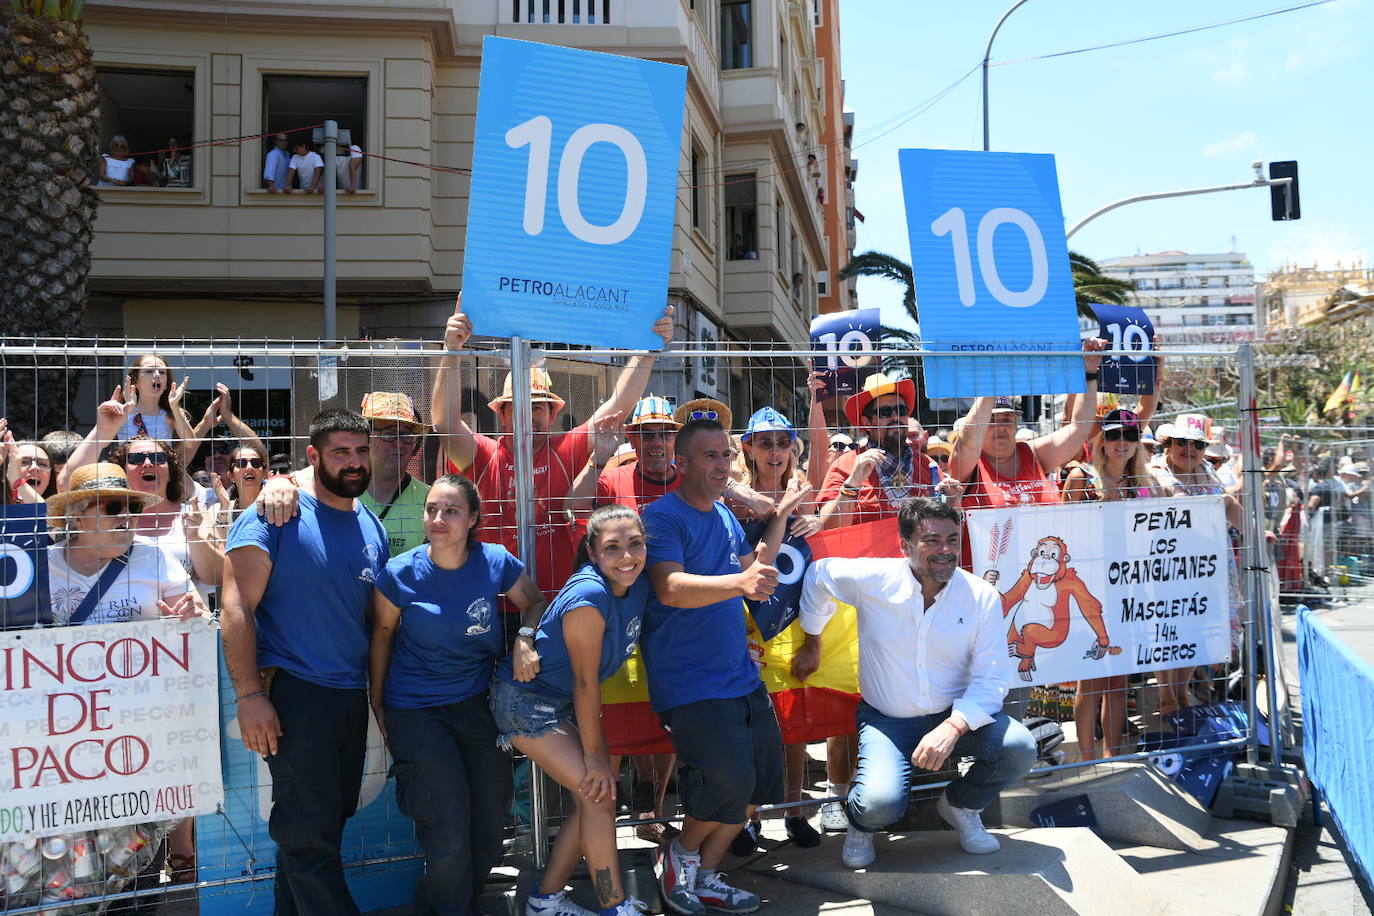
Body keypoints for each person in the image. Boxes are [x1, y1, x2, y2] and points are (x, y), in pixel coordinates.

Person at [792, 497, 1036, 870]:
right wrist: (813, 640)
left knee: (1020, 747)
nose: (945, 551)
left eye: (952, 540)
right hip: (887, 720)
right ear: (904, 546)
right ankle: (861, 824)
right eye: (932, 541)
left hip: (954, 717)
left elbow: (992, 677)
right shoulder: (874, 580)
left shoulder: (981, 596)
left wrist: (953, 726)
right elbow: (819, 574)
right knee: (877, 804)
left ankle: (962, 806)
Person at [221, 409, 389, 916]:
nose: (355, 462)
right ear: (312, 456)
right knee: (311, 839)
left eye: (361, 451)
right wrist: (250, 697)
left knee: (317, 827)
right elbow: (234, 607)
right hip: (296, 696)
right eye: (341, 452)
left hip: (347, 696)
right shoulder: (274, 514)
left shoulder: (371, 525)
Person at [370, 474, 545, 915]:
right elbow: (382, 636)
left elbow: (535, 601)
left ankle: (448, 904)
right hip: (416, 710)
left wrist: (525, 636)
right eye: (432, 509)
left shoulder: (495, 561)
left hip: (477, 705)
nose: (438, 518)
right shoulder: (400, 572)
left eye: (451, 511)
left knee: (489, 824)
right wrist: (377, 703)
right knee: (446, 828)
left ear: (472, 519)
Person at [430, 296, 674, 598]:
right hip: (492, 604)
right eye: (519, 406)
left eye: (538, 408)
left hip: (557, 602)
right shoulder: (483, 454)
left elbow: (619, 406)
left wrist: (647, 350)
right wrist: (452, 348)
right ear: (502, 414)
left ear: (552, 414)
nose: (529, 416)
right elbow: (445, 423)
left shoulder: (565, 449)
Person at [43, 461, 207, 895]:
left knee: (137, 862)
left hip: (138, 741)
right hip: (65, 746)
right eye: (114, 505)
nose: (127, 516)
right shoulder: (36, 567)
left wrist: (192, 616)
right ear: (77, 514)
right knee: (71, 858)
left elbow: (198, 619)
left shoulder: (154, 559)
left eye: (132, 507)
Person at [642, 418, 781, 916]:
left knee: (756, 788)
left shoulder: (725, 514)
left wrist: (781, 516)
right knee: (724, 783)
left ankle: (704, 876)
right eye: (710, 456)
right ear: (681, 463)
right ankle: (679, 855)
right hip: (690, 684)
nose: (723, 464)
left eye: (726, 455)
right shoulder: (662, 518)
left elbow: (754, 567)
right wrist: (741, 583)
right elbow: (670, 588)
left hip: (740, 677)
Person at [491, 504, 654, 916]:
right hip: (525, 704)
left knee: (593, 795)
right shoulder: (589, 595)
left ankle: (545, 901)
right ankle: (614, 905)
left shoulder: (636, 582)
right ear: (593, 553)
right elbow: (585, 683)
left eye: (635, 544)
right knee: (599, 792)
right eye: (612, 548)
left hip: (558, 702)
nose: (627, 557)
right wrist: (596, 758)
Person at [727, 407, 826, 852]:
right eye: (764, 442)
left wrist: (820, 519)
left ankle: (793, 811)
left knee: (793, 724)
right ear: (747, 446)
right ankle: (747, 820)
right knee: (749, 723)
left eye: (782, 442)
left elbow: (823, 554)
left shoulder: (805, 494)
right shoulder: (733, 497)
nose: (774, 451)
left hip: (792, 618)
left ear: (792, 447)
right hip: (742, 621)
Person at [1060, 408, 1165, 760]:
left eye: (1130, 436)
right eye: (1115, 434)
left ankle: (1112, 756)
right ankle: (1088, 759)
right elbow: (1063, 534)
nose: (1122, 442)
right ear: (1101, 439)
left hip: (1130, 592)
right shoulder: (1081, 477)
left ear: (1138, 443)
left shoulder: (1145, 485)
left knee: (1119, 680)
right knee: (1089, 678)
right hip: (1089, 591)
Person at [1154, 413, 1246, 714]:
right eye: (1182, 442)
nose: (1189, 449)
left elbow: (1228, 504)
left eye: (1197, 443)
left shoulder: (1207, 469)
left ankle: (1180, 693)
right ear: (1170, 443)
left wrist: (1255, 530)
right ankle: (1167, 696)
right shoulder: (1156, 471)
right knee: (1169, 633)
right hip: (1170, 569)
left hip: (1208, 567)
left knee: (1195, 631)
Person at [818, 374, 940, 528]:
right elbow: (828, 528)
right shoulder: (844, 466)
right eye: (885, 412)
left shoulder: (927, 464)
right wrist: (852, 485)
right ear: (867, 423)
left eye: (901, 410)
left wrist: (952, 502)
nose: (896, 417)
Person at [113, 356, 197, 464]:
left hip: (160, 473)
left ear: (166, 384)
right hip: (128, 472)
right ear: (136, 381)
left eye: (162, 372)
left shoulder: (171, 413)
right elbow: (103, 440)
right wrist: (127, 411)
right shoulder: (122, 411)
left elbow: (190, 443)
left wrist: (174, 406)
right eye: (149, 371)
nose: (157, 375)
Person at [1, 423, 52, 503]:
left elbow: (43, 513)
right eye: (24, 462)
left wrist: (17, 482)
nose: (35, 467)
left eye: (42, 464)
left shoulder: (64, 509)